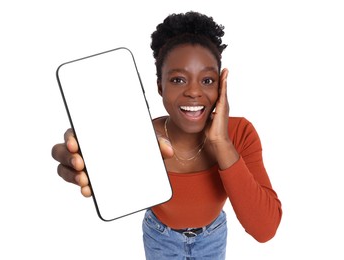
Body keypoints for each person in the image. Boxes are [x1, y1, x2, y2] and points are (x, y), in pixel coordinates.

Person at [51, 11, 282, 260]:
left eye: (207, 80)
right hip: (160, 236)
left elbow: (264, 229)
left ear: (221, 85)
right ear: (160, 86)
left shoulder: (240, 134)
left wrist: (221, 142)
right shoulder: (141, 137)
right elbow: (114, 186)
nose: (193, 91)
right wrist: (93, 164)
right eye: (178, 79)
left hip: (213, 236)